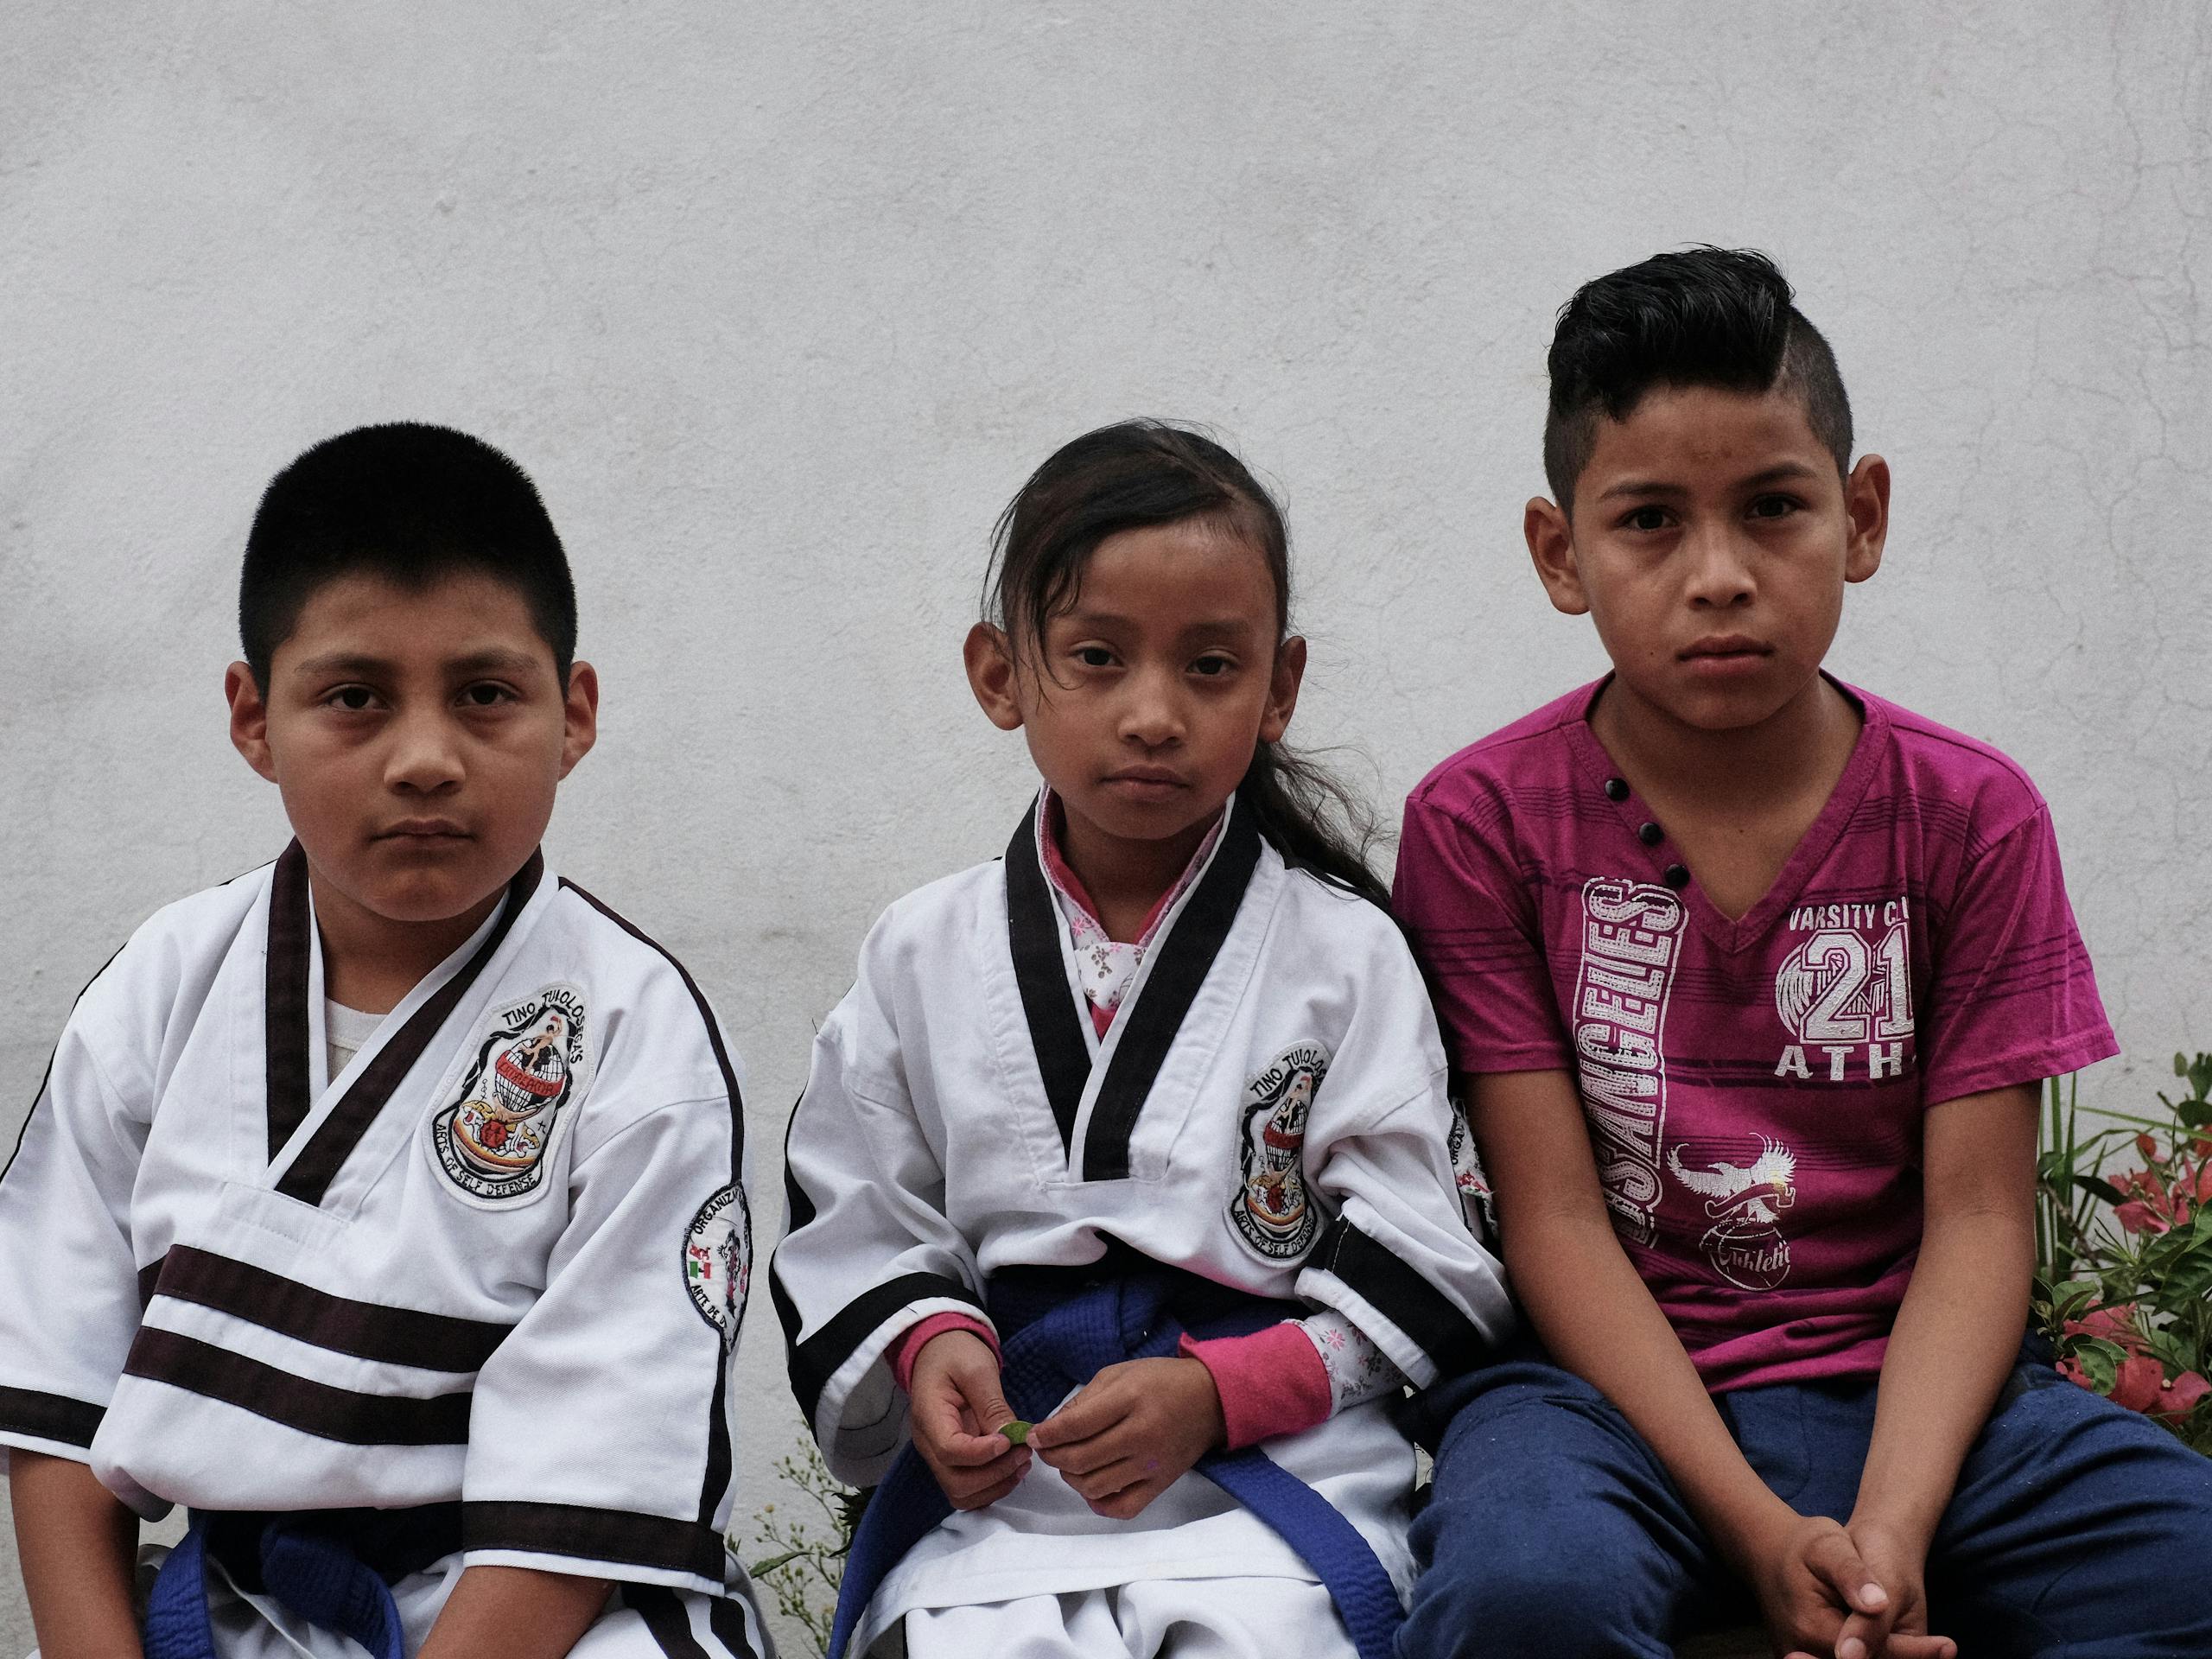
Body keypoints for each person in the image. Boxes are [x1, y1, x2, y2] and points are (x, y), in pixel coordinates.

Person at [1391, 247, 2212, 1659]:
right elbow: (1556, 1225)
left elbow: (1976, 1220)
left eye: (1774, 508)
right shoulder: (1481, 825)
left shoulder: (1969, 815)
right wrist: (1763, 1536)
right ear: (1559, 554)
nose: (1720, 576)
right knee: (1527, 1597)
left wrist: (1887, 1532)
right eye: (1649, 521)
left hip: (1926, 1399)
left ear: (1862, 514)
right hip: (1601, 1407)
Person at [0, 424, 770, 1659]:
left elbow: (588, 1479)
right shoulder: (161, 992)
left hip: (543, 1619)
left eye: (484, 695)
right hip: (241, 1606)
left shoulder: (630, 1034)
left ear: (573, 715)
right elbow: (53, 1402)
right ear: (255, 719)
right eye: (355, 699)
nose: (424, 759)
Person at [770, 421, 1513, 1659]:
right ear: (1001, 673)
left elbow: (1427, 1251)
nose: (1154, 714)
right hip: (1010, 1489)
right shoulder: (920, 951)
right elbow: (856, 1213)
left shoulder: (1345, 953)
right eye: (1098, 659)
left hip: (1275, 1475)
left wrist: (1227, 1393)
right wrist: (931, 1346)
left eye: (1211, 668)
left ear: (1280, 686)